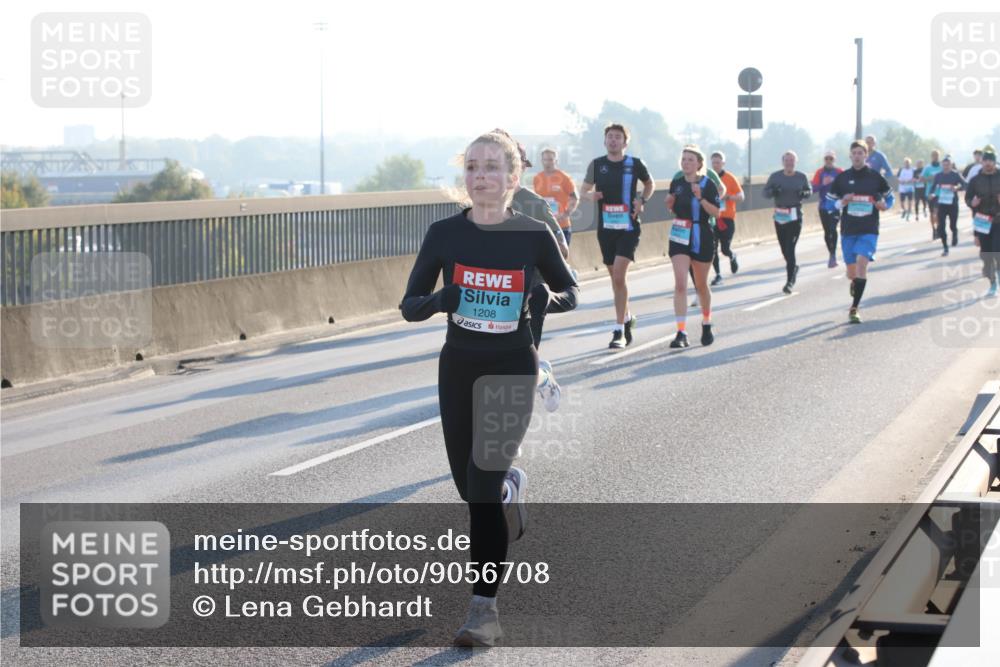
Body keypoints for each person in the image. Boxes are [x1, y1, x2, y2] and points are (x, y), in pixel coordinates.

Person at [400, 130, 579, 647]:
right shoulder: (443, 234)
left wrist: (546, 295)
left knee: (479, 494)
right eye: (474, 167)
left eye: (493, 167)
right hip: (458, 366)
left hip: (512, 367)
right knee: (470, 488)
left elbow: (570, 290)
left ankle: (484, 613)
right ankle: (506, 489)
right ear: (466, 177)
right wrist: (443, 299)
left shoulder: (533, 234)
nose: (482, 177)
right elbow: (410, 305)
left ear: (513, 177)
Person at [580, 123, 655, 349]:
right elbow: (582, 191)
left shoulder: (635, 164)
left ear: (625, 142)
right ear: (605, 141)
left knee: (620, 277)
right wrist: (591, 196)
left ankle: (618, 331)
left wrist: (642, 200)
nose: (613, 140)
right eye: (610, 137)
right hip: (606, 230)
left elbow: (649, 184)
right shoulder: (597, 165)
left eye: (618, 137)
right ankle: (627, 317)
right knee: (615, 279)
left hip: (629, 228)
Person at [664, 145, 722, 347]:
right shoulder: (677, 183)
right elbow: (674, 208)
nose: (686, 162)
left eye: (690, 159)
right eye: (684, 159)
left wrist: (700, 198)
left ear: (699, 164)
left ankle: (706, 322)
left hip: (702, 234)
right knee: (680, 284)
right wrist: (669, 203)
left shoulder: (708, 184)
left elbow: (716, 213)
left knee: (701, 285)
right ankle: (681, 332)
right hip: (680, 233)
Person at [828, 140, 891, 323]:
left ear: (866, 155)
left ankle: (854, 308)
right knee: (851, 273)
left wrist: (884, 205)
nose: (857, 156)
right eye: (854, 153)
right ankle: (855, 283)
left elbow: (890, 198)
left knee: (862, 263)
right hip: (849, 230)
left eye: (860, 153)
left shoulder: (875, 177)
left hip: (869, 229)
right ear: (850, 156)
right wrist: (842, 202)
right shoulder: (842, 178)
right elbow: (829, 203)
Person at [763, 151, 813, 294]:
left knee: (790, 248)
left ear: (795, 162)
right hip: (780, 215)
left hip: (795, 215)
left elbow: (809, 190)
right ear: (782, 162)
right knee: (784, 249)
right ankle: (794, 267)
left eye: (792, 160)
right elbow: (765, 193)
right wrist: (773, 191)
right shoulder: (775, 176)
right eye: (787, 160)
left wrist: (805, 193)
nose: (789, 163)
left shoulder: (801, 176)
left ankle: (789, 281)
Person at [965, 144, 1000, 296]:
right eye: (985, 160)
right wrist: (971, 203)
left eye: (990, 161)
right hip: (982, 220)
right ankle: (993, 283)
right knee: (986, 254)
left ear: (995, 162)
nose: (987, 163)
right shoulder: (975, 179)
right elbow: (967, 197)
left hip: (998, 219)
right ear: (982, 162)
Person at [709, 151, 743, 285]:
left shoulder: (730, 178)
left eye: (718, 162)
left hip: (727, 219)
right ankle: (718, 275)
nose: (716, 165)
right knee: (712, 249)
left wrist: (728, 196)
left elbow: (741, 197)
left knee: (724, 249)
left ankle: (732, 255)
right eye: (713, 162)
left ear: (723, 163)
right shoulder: (708, 177)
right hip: (712, 219)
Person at [533, 147, 579, 246]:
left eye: (550, 159)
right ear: (542, 161)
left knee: (561, 258)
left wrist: (566, 214)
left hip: (561, 226)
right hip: (544, 226)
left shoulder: (564, 177)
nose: (548, 162)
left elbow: (575, 197)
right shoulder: (537, 178)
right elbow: (537, 200)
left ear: (556, 161)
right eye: (545, 159)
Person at [928, 155, 967, 255]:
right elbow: (932, 187)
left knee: (952, 225)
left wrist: (957, 187)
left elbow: (964, 184)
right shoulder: (938, 176)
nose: (946, 167)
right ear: (942, 165)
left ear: (951, 165)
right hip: (941, 204)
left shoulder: (955, 175)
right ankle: (945, 247)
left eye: (948, 165)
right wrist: (931, 194)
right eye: (944, 165)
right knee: (941, 227)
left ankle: (954, 233)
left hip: (953, 204)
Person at [812, 151, 845, 267]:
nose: (829, 161)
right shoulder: (819, 172)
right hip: (823, 206)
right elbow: (813, 189)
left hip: (835, 205)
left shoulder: (840, 172)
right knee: (827, 231)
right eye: (826, 158)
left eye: (831, 158)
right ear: (824, 160)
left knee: (833, 228)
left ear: (834, 160)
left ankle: (833, 255)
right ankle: (831, 253)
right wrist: (823, 183)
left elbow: (846, 187)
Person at [923, 150, 944, 240]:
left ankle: (939, 228)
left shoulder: (942, 167)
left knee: (937, 212)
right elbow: (922, 179)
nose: (935, 157)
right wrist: (930, 178)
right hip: (929, 192)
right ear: (931, 157)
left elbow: (945, 176)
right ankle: (934, 229)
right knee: (932, 213)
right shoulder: (927, 168)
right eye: (933, 155)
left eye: (937, 155)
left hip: (939, 193)